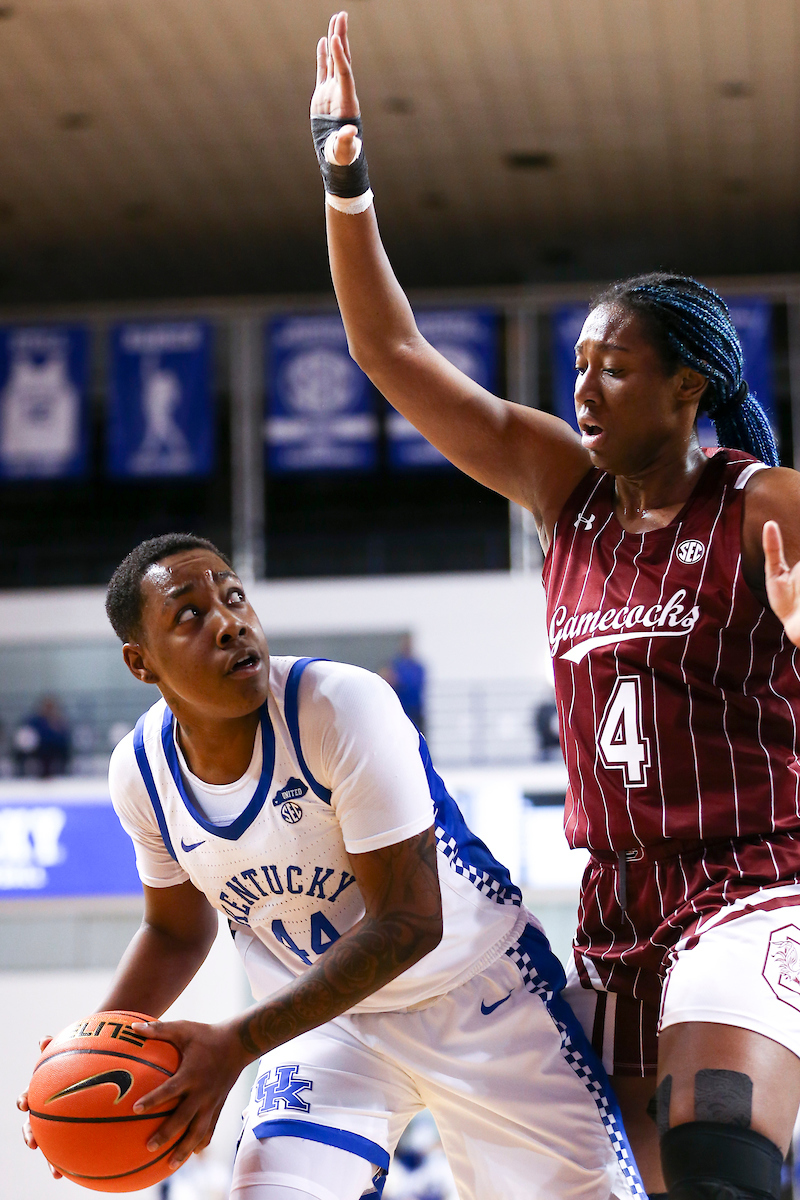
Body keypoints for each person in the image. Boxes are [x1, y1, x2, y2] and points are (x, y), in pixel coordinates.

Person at [310, 12, 800, 1200]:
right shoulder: (561, 492)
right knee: (633, 1184)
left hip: (756, 879)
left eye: (612, 366)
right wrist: (343, 175)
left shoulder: (766, 503)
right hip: (612, 907)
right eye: (575, 363)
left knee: (717, 1145)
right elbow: (391, 353)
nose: (579, 387)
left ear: (687, 386)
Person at [19, 532, 644, 1200]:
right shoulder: (139, 771)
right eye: (191, 615)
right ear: (141, 663)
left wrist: (234, 1044)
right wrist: (85, 1057)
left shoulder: (338, 706)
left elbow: (409, 923)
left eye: (234, 598)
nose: (229, 623)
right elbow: (175, 932)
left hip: (477, 993)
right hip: (325, 1024)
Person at [379, 634, 426, 733]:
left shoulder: (417, 666)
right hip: (399, 711)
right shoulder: (394, 664)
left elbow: (416, 684)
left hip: (415, 711)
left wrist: (399, 680)